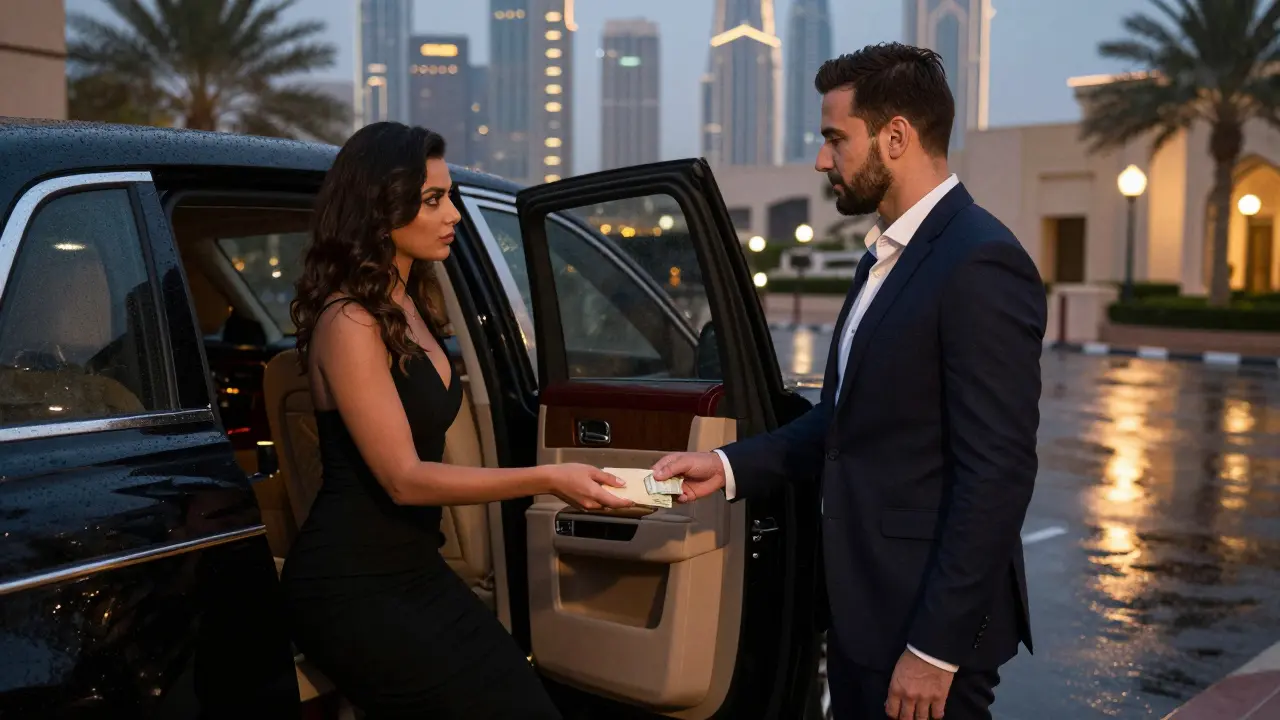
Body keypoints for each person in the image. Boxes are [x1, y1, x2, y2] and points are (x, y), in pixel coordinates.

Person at [651, 44, 1045, 720]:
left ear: (896, 136)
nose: (821, 159)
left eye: (836, 138)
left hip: (924, 634)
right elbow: (841, 422)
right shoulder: (880, 263)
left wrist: (935, 649)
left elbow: (998, 473)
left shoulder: (980, 262)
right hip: (863, 616)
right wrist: (725, 464)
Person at [279, 121, 634, 719]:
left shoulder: (409, 305)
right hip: (352, 586)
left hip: (413, 570)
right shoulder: (350, 321)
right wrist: (548, 478)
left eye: (449, 199)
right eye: (433, 200)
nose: (454, 217)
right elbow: (405, 479)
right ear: (380, 206)